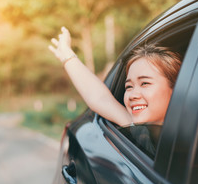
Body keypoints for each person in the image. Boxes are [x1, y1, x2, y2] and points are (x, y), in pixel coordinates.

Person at [49, 27, 181, 127]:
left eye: (145, 83)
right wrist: (66, 54)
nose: (132, 95)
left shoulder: (194, 139)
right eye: (128, 86)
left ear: (175, 88)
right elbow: (100, 99)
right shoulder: (141, 132)